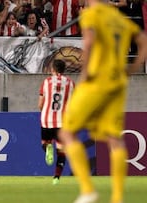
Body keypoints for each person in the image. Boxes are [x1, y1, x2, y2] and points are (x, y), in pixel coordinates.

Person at [58, 0, 147, 203]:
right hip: (118, 83)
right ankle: (117, 198)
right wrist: (132, 69)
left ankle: (88, 191)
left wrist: (85, 74)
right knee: (114, 138)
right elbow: (143, 40)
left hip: (96, 80)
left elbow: (89, 42)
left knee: (66, 132)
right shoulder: (118, 18)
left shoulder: (92, 13)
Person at [38, 59, 74, 185]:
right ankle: (56, 178)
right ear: (64, 70)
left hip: (47, 120)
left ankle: (48, 146)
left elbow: (40, 104)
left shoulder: (46, 82)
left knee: (45, 142)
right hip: (63, 122)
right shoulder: (71, 83)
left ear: (52, 69)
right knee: (61, 151)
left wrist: (43, 111)